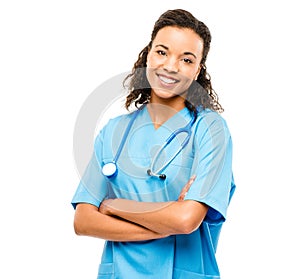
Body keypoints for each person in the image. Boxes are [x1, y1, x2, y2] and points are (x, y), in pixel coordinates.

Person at [71, 9, 236, 279]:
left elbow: (186, 220)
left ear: (198, 70)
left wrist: (114, 206)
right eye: (162, 52)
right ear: (148, 55)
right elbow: (83, 220)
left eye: (186, 59)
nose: (171, 66)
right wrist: (165, 222)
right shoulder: (114, 131)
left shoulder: (210, 130)